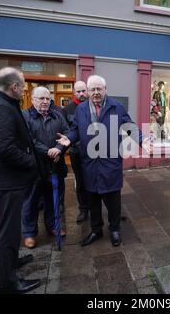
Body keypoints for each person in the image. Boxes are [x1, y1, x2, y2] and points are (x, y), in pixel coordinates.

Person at [56, 75, 143, 247]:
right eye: (92, 89)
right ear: (88, 91)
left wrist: (142, 139)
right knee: (92, 199)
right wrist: (69, 139)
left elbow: (130, 127)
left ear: (105, 89)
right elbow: (75, 130)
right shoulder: (81, 109)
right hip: (89, 163)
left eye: (99, 89)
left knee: (113, 199)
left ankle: (115, 229)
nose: (96, 92)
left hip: (110, 162)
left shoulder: (116, 107)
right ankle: (96, 230)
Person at [0, 67, 41, 294]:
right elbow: (4, 148)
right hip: (9, 181)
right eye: (22, 85)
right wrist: (30, 161)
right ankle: (7, 283)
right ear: (14, 86)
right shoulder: (0, 108)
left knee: (11, 228)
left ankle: (11, 262)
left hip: (9, 179)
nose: (24, 88)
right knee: (8, 230)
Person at [21, 86, 68, 249]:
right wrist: (49, 151)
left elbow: (67, 135)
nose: (45, 102)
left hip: (55, 166)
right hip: (34, 167)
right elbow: (29, 140)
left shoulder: (57, 115)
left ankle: (52, 226)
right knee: (31, 201)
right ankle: (29, 233)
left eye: (48, 98)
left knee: (53, 200)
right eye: (41, 98)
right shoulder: (25, 116)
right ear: (32, 99)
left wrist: (60, 149)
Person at [61, 81, 90, 223]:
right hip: (76, 153)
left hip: (93, 152)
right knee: (80, 182)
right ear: (74, 92)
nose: (81, 94)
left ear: (88, 91)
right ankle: (83, 209)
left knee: (94, 179)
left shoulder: (94, 106)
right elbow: (67, 131)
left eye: (83, 91)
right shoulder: (67, 110)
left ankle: (94, 206)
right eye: (78, 91)